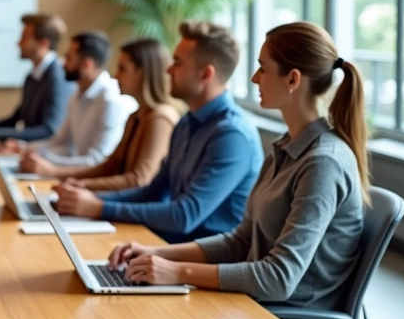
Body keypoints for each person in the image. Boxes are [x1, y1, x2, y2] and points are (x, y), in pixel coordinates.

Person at [82, 21, 368, 319]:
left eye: (263, 68)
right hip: (262, 316)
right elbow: (240, 240)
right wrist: (155, 253)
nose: (253, 77)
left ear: (293, 79)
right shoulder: (286, 149)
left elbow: (279, 277)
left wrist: (176, 271)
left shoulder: (323, 163)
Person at [54, 21, 262, 243]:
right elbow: (152, 192)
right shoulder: (186, 123)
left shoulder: (231, 135)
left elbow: (185, 216)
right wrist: (87, 200)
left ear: (206, 74)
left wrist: (99, 207)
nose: (168, 70)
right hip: (166, 246)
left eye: (178, 63)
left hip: (202, 265)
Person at [32, 39, 179, 188]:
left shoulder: (160, 118)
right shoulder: (137, 115)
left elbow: (139, 181)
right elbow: (110, 166)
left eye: (122, 69)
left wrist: (81, 187)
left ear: (142, 73)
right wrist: (71, 181)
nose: (115, 76)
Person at [4, 31, 136, 173]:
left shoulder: (110, 101)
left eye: (68, 58)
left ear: (87, 64)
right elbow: (60, 143)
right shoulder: (76, 95)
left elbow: (98, 160)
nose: (62, 63)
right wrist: (26, 149)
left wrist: (48, 165)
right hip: (74, 176)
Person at [0, 13, 75, 144]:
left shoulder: (58, 78)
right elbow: (15, 120)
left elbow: (48, 130)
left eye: (24, 38)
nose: (18, 43)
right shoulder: (32, 77)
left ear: (43, 43)